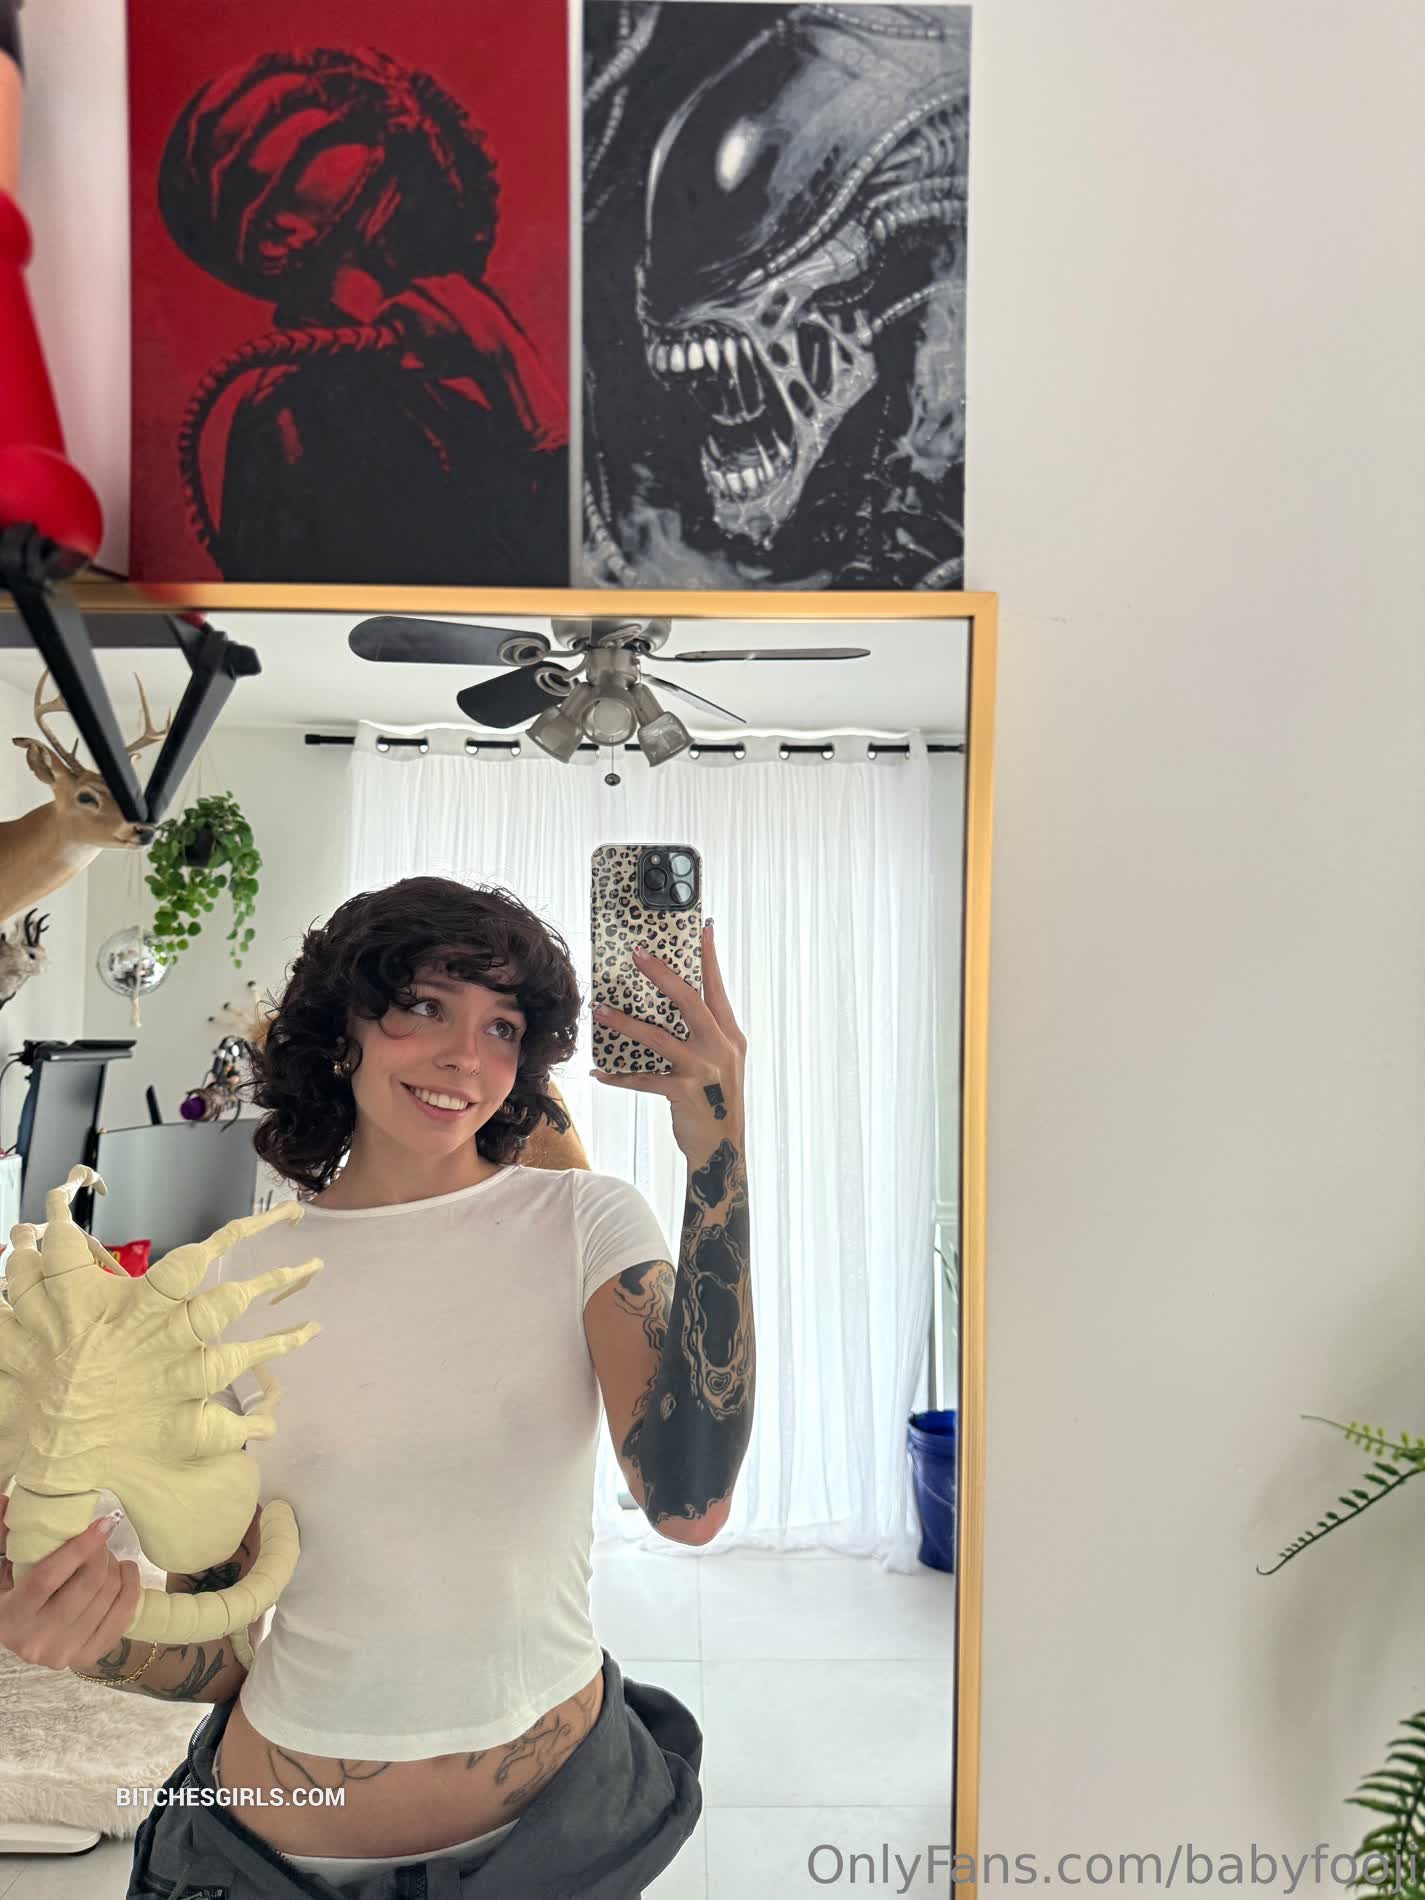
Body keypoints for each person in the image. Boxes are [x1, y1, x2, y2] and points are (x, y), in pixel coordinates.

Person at [0, 875, 754, 1897]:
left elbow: (690, 1501)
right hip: (271, 1860)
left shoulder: (585, 1224)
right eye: (424, 1007)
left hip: (555, 1847)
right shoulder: (230, 1278)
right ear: (341, 1030)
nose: (465, 1056)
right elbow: (220, 1648)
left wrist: (717, 1153)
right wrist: (81, 1635)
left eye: (502, 1026)